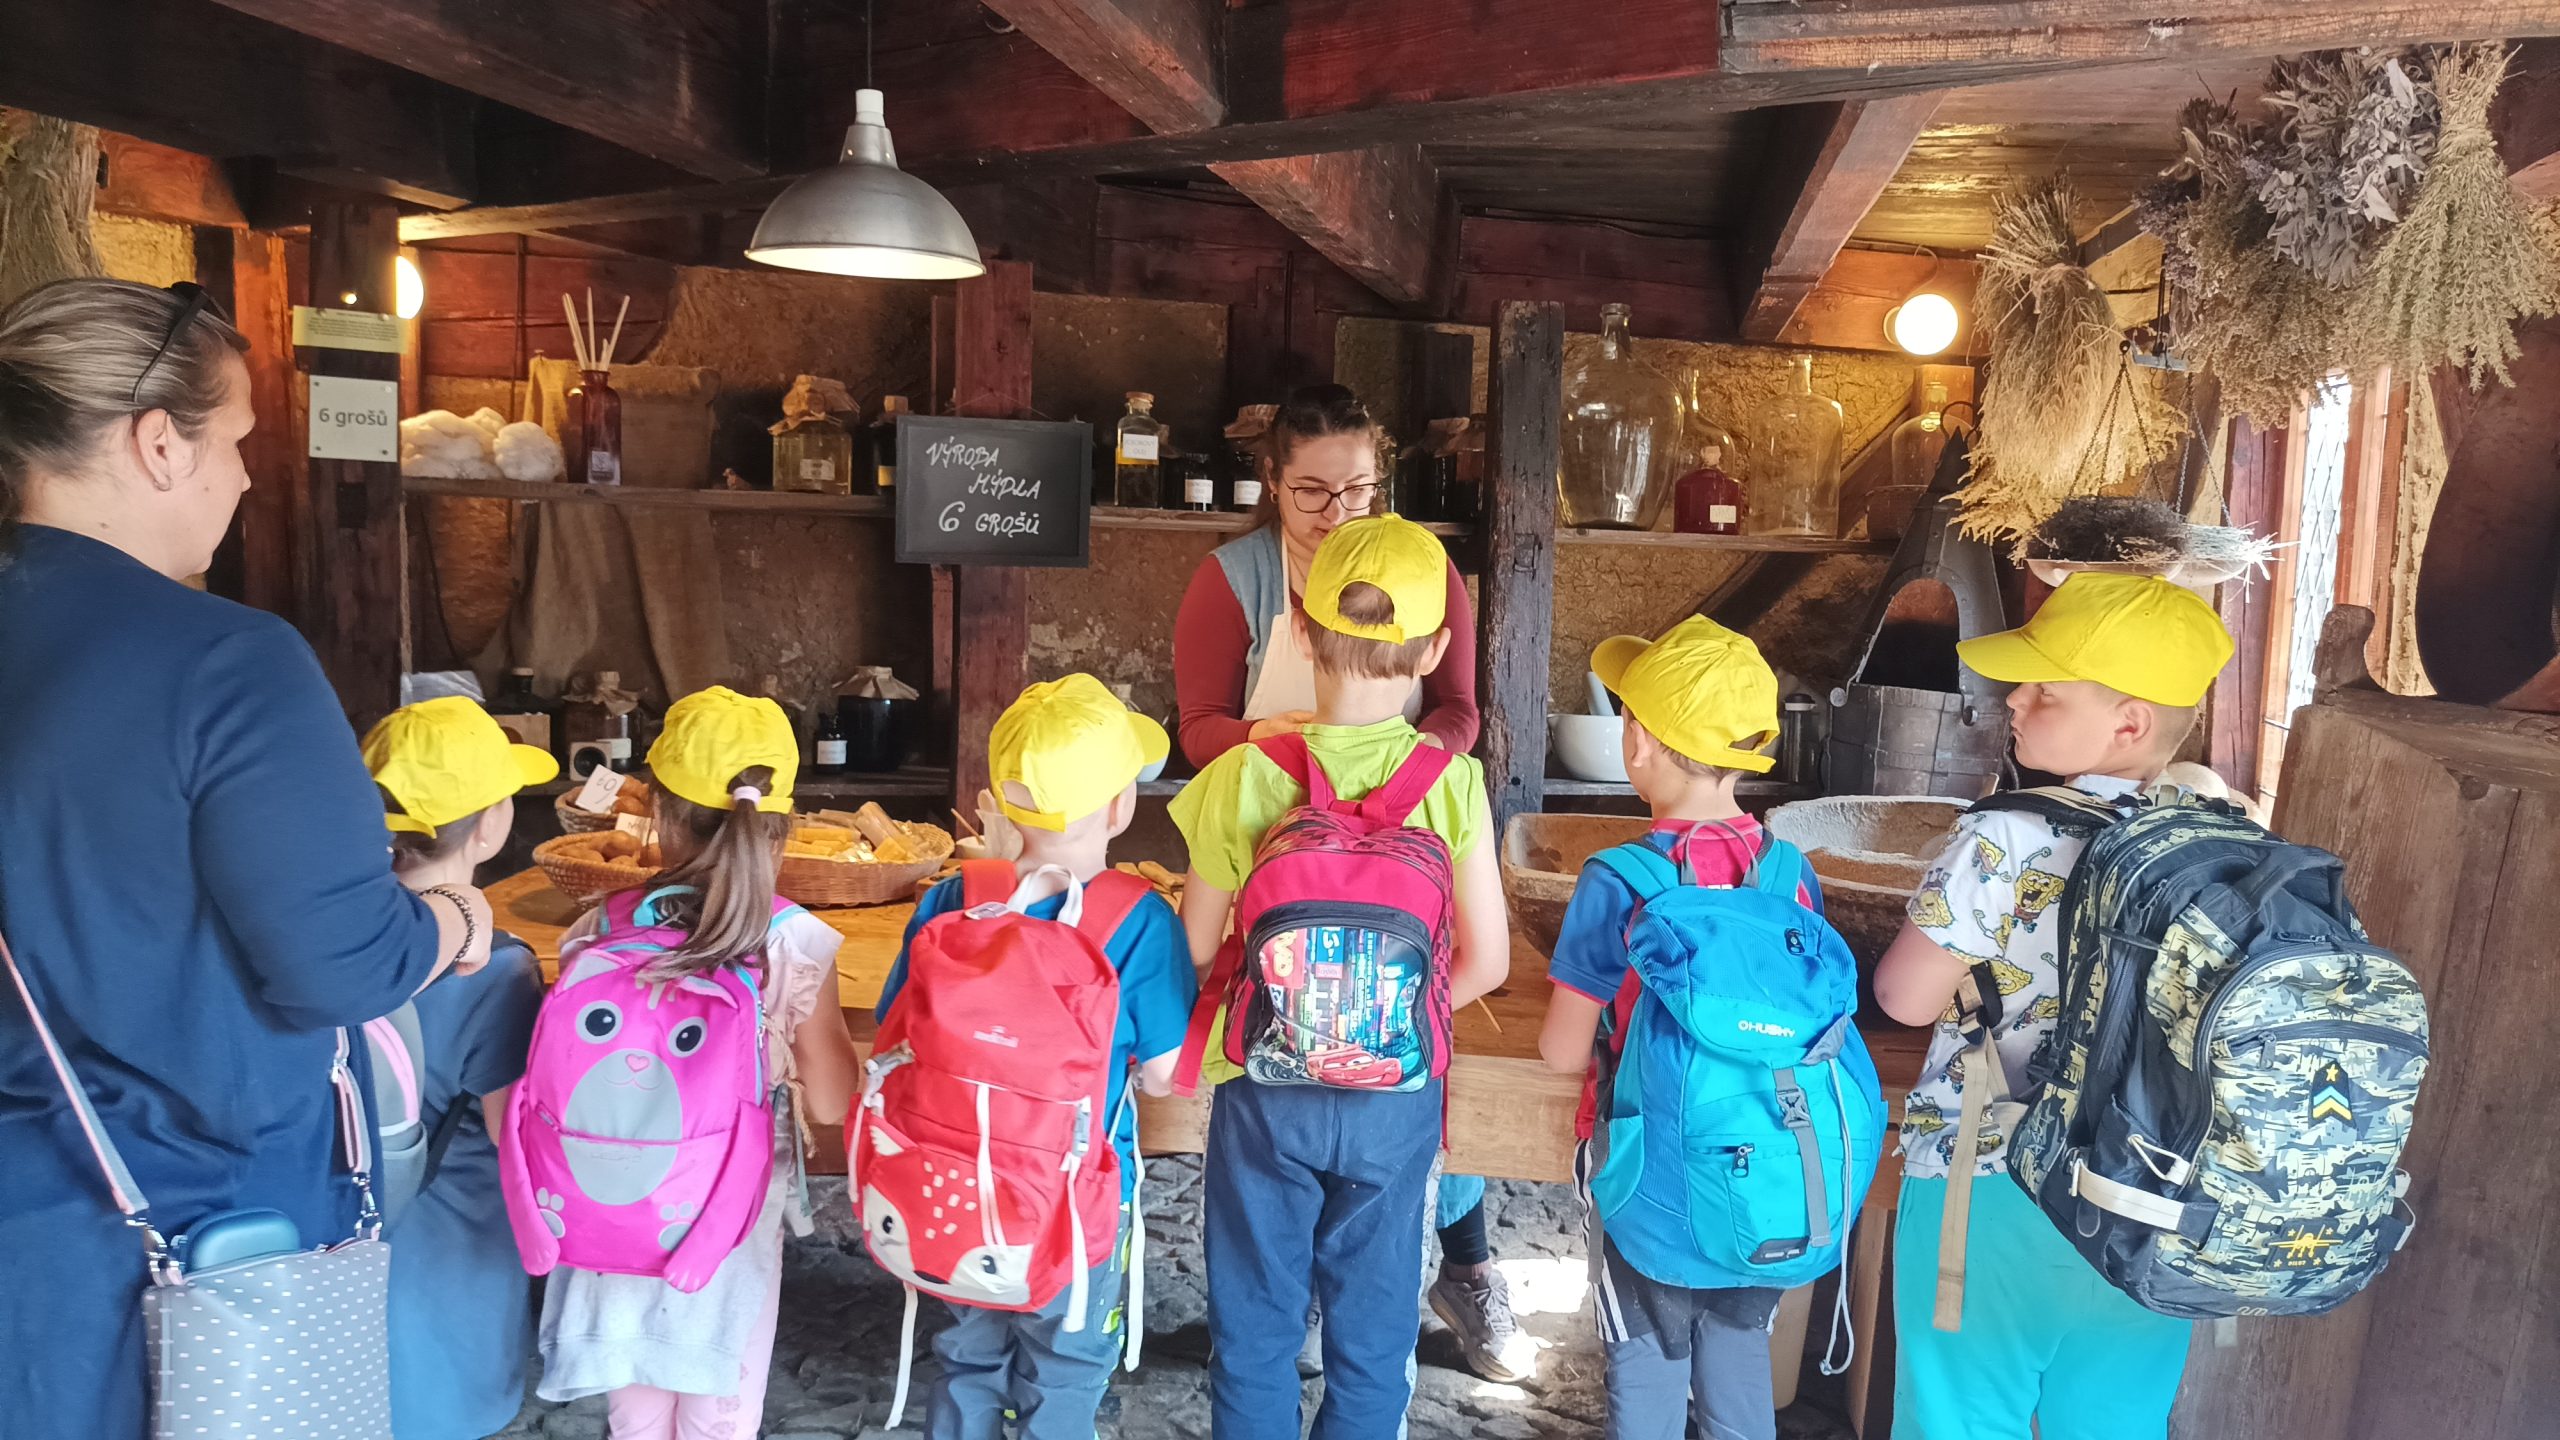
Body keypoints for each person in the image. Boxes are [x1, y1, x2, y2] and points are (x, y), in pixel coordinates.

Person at [0, 277, 492, 1440]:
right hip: (182, 1229)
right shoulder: (228, 662)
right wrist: (452, 920)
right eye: (233, 441)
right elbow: (339, 968)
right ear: (157, 444)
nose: (247, 478)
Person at [1170, 385, 1513, 1379]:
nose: (1336, 511)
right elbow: (1197, 725)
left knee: (1259, 1315)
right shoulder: (1231, 581)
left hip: (1374, 847)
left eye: (1357, 490)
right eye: (1312, 492)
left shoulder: (1423, 568)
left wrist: (1387, 773)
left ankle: (1466, 1265)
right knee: (1374, 1325)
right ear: (1271, 484)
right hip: (1295, 833)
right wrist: (1280, 744)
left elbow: (1459, 711)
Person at [1873, 574, 2234, 1440]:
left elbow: (1904, 997)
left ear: (2129, 722)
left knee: (1959, 1423)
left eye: (2046, 690)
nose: (2015, 701)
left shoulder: (2007, 835)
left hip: (1992, 1184)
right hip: (2150, 1203)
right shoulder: (2223, 848)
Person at [873, 673, 1200, 1440]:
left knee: (966, 1356)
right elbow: (1163, 1077)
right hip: (1074, 1207)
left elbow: (894, 1029)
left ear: (997, 800)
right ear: (1120, 807)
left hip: (955, 1188)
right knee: (1065, 1371)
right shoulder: (1140, 919)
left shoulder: (951, 900)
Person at [532, 686, 860, 1439]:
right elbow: (831, 1101)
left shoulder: (598, 927)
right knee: (718, 1410)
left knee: (636, 1413)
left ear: (660, 814)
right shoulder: (795, 941)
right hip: (727, 1221)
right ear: (781, 824)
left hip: (605, 1199)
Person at [1536, 617, 1812, 1440]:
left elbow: (1561, 1050)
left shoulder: (1620, 879)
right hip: (1763, 1165)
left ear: (1638, 742)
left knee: (1646, 1363)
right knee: (1738, 1358)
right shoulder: (1791, 875)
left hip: (1646, 1170)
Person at [364, 696, 558, 1440]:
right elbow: (514, 1138)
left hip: (338, 1231)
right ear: (491, 825)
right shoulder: (498, 970)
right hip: (452, 1248)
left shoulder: (330, 945)